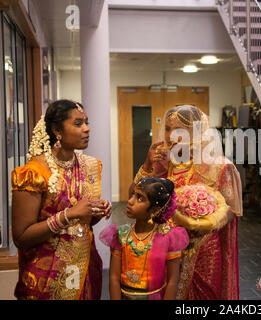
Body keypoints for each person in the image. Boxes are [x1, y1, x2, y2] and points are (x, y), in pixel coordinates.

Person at [133, 105, 243, 300]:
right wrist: (147, 165)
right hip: (169, 245)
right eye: (167, 128)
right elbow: (137, 196)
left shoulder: (220, 166)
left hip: (205, 247)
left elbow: (230, 212)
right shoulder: (165, 164)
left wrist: (198, 222)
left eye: (178, 130)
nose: (170, 135)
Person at [11, 100, 111, 300]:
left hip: (85, 270)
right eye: (78, 124)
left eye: (87, 122)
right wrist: (68, 214)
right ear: (57, 130)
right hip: (47, 278)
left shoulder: (89, 165)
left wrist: (96, 213)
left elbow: (83, 223)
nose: (86, 129)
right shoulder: (34, 173)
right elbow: (21, 237)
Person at [100, 177, 188, 300]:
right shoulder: (121, 234)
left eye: (140, 198)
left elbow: (172, 280)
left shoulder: (169, 237)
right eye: (132, 195)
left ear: (155, 210)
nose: (130, 201)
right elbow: (114, 278)